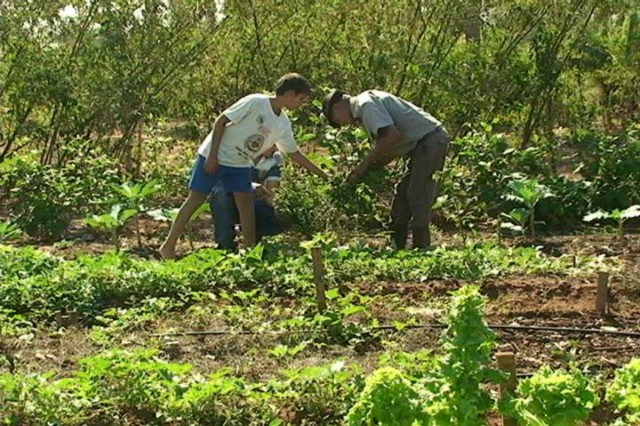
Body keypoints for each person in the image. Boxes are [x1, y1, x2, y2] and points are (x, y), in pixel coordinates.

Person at [159, 73, 329, 259]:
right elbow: (221, 121)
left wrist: (325, 176)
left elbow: (294, 154)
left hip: (239, 164)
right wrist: (213, 156)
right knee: (196, 198)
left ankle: (249, 251)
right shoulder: (256, 102)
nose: (301, 104)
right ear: (289, 94)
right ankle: (168, 246)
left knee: (246, 202)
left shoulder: (282, 123)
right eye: (301, 99)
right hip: (215, 155)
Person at [322, 89, 450, 249]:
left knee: (418, 193)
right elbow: (391, 144)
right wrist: (373, 166)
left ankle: (421, 248)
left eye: (337, 120)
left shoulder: (365, 105)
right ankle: (397, 246)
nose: (342, 125)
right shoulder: (365, 106)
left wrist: (362, 167)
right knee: (403, 194)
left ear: (337, 108)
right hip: (420, 145)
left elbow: (391, 136)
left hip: (430, 141)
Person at [210, 146, 284, 250]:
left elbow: (272, 196)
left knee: (267, 209)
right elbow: (222, 181)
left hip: (255, 203)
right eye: (272, 144)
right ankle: (225, 246)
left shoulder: (274, 160)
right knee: (221, 194)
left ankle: (261, 243)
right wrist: (249, 186)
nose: (275, 148)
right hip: (231, 201)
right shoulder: (237, 153)